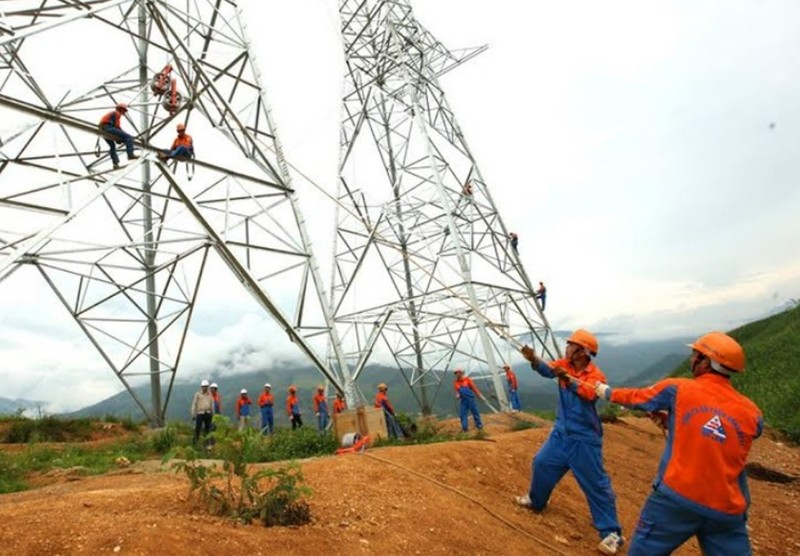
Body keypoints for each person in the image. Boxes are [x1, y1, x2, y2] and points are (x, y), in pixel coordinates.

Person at [594, 331, 763, 556]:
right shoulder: (753, 413)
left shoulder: (679, 388)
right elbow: (721, 438)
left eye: (696, 355)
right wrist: (674, 423)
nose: (692, 359)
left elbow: (639, 398)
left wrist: (606, 392)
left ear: (706, 362)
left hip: (675, 500)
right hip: (726, 512)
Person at [516, 329, 624, 555]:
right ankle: (536, 501)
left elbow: (589, 394)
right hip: (561, 433)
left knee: (596, 486)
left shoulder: (596, 376)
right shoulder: (564, 363)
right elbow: (548, 370)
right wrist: (534, 360)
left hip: (585, 439)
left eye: (571, 345)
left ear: (583, 352)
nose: (567, 348)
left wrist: (566, 377)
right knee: (542, 463)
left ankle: (612, 534)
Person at [98, 102, 138, 169]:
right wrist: (122, 136)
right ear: (121, 109)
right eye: (124, 111)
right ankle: (130, 154)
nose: (124, 113)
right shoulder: (117, 113)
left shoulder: (112, 113)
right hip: (108, 128)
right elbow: (117, 127)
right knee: (129, 137)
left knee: (112, 146)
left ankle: (115, 163)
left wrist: (117, 138)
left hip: (103, 129)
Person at [190, 379, 214, 445]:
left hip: (208, 413)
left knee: (208, 429)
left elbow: (212, 403)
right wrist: (193, 413)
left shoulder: (210, 394)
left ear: (208, 387)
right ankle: (195, 443)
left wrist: (212, 412)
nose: (205, 387)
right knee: (198, 428)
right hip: (200, 413)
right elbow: (194, 404)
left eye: (206, 386)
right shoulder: (198, 394)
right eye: (203, 386)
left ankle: (207, 443)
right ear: (201, 387)